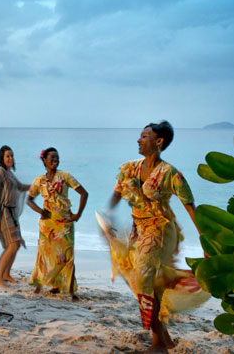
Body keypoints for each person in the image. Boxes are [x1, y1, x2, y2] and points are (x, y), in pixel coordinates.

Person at [101, 121, 209, 351]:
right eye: (139, 136)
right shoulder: (130, 168)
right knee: (144, 282)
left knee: (143, 278)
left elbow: (192, 208)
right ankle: (165, 338)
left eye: (144, 136)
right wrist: (108, 217)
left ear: (158, 141)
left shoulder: (171, 173)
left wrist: (205, 241)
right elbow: (117, 193)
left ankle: (158, 343)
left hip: (160, 232)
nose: (139, 140)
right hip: (137, 231)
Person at [26, 147, 88, 300]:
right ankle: (44, 286)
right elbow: (28, 199)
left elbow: (84, 193)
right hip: (47, 224)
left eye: (57, 158)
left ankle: (70, 291)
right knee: (45, 256)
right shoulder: (39, 180)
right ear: (44, 160)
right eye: (52, 158)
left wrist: (77, 215)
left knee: (67, 256)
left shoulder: (65, 176)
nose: (55, 160)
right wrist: (40, 211)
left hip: (65, 223)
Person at [0, 145, 30, 288]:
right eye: (7, 156)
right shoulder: (0, 173)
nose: (10, 158)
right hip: (5, 212)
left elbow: (20, 187)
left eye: (12, 156)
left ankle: (6, 274)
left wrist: (38, 185)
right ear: (1, 158)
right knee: (13, 244)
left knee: (16, 243)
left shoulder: (10, 174)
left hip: (13, 213)